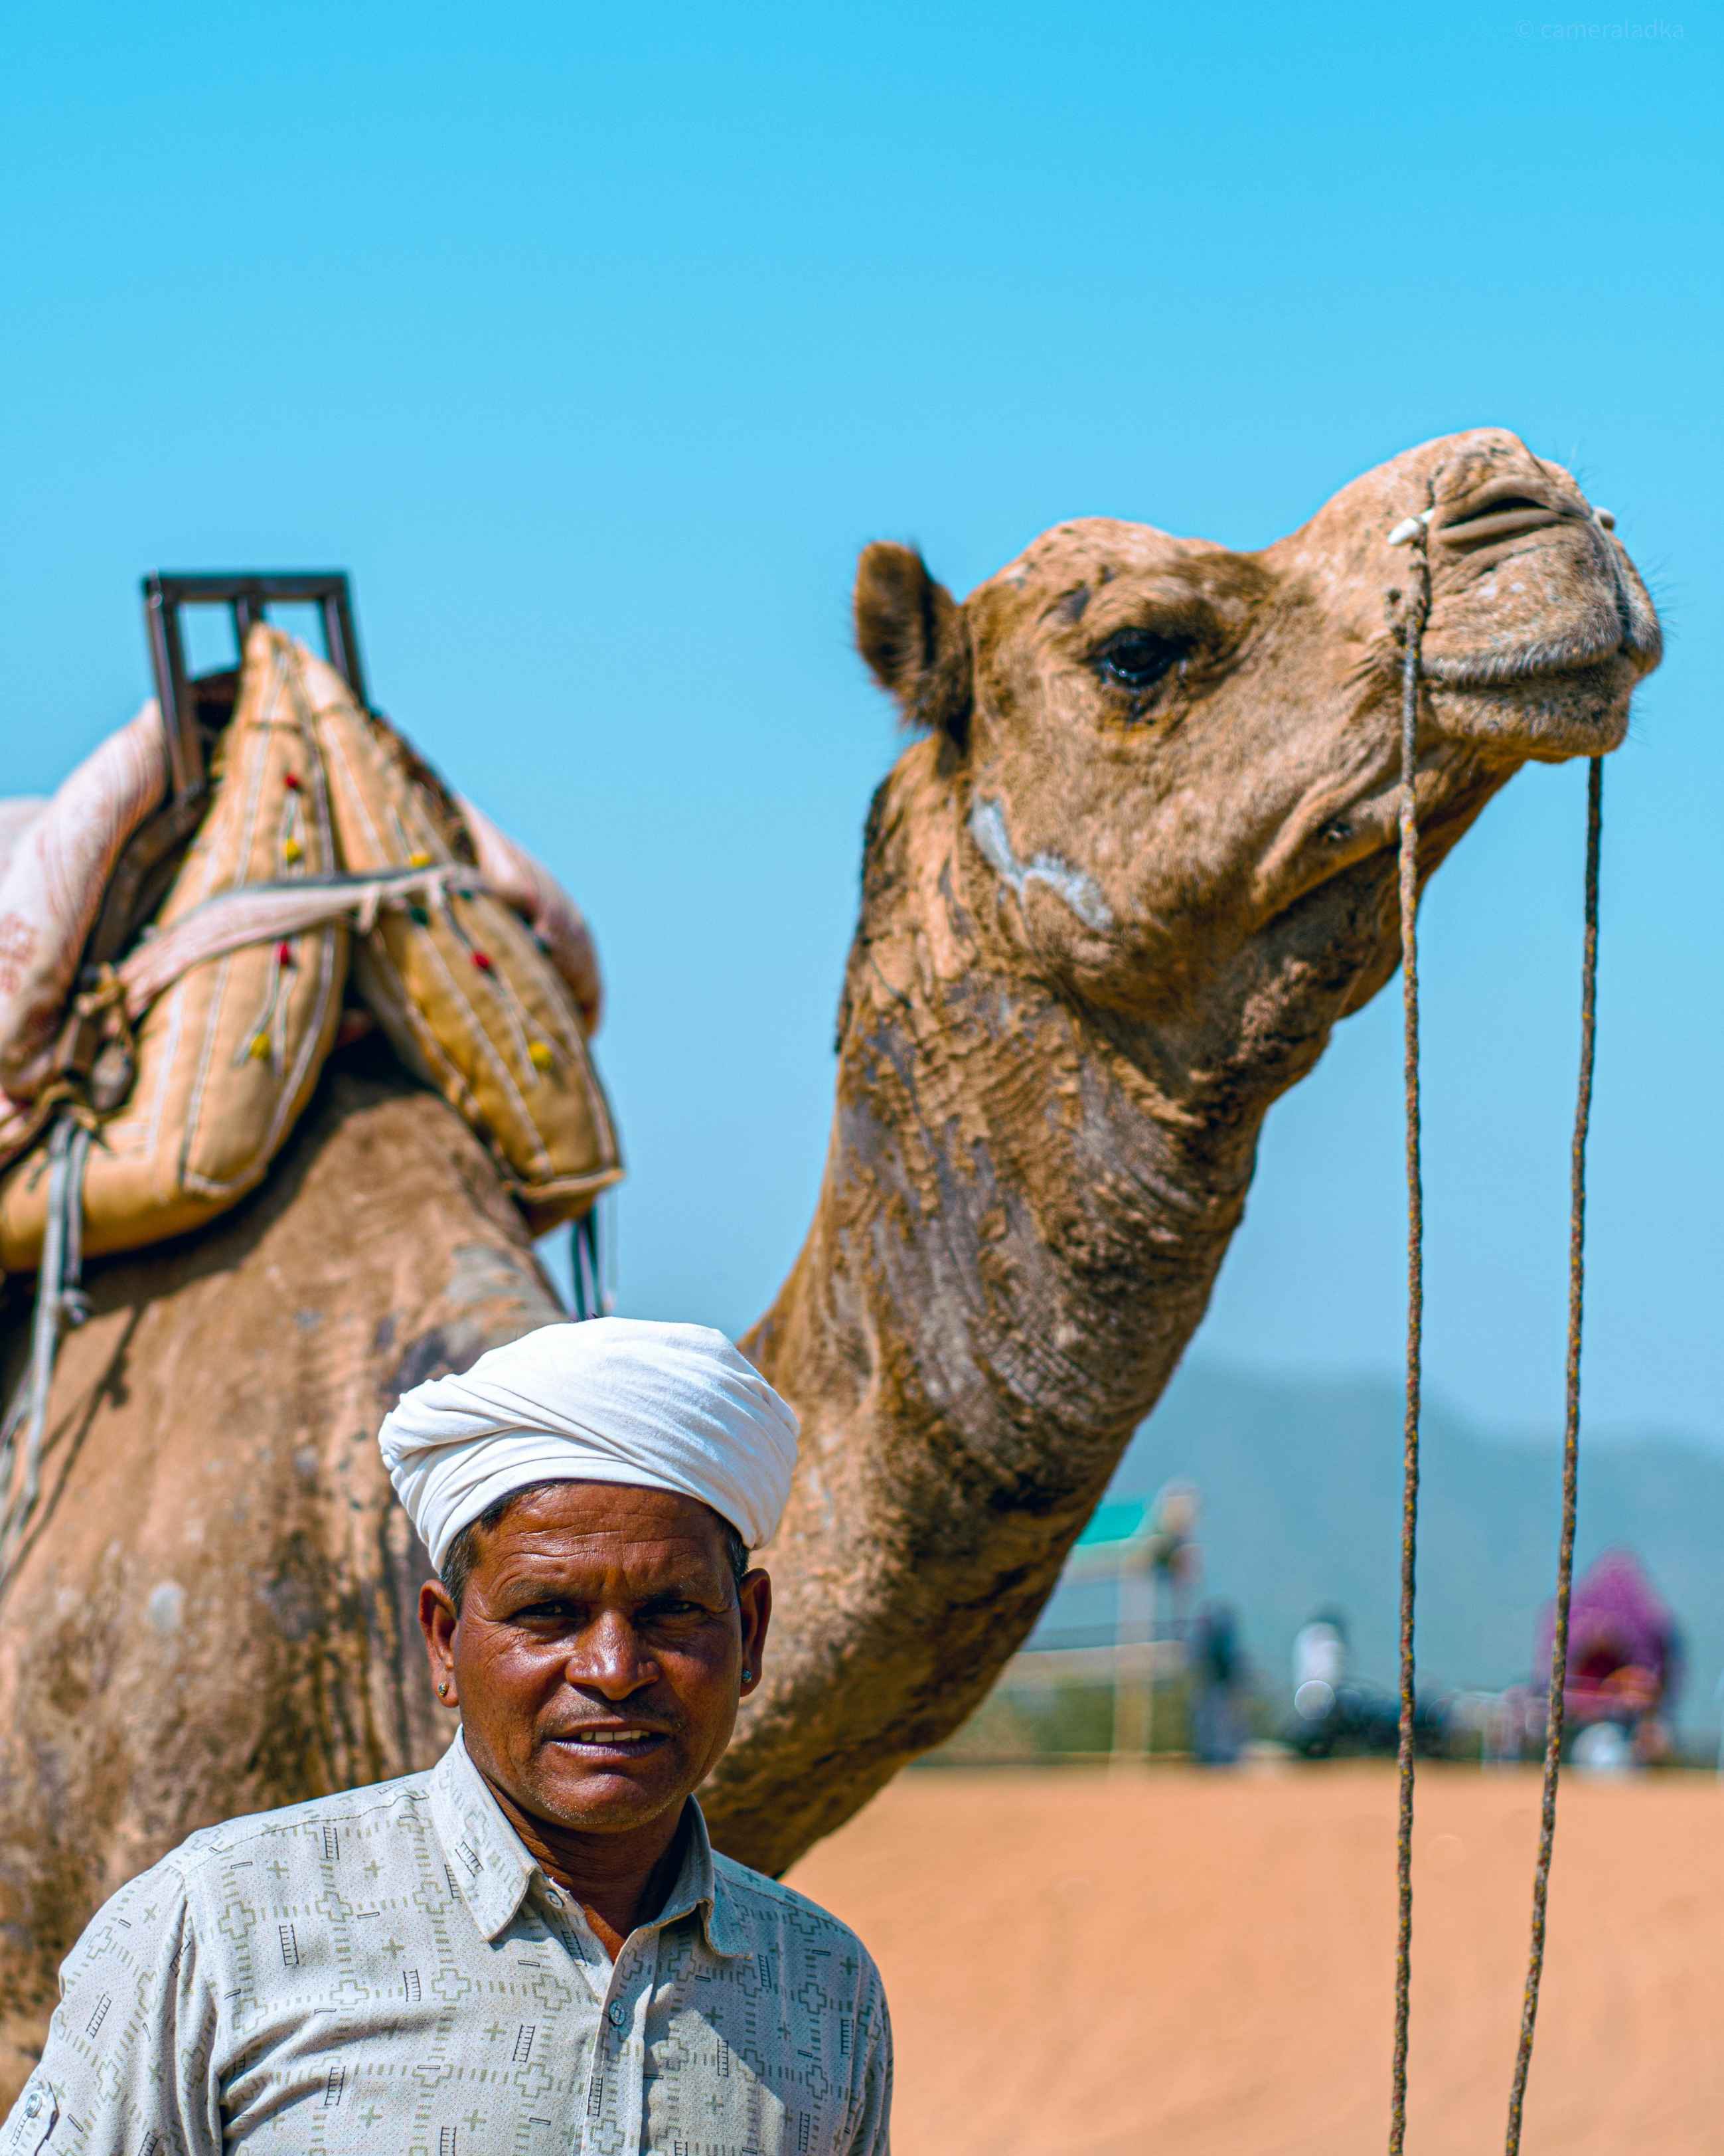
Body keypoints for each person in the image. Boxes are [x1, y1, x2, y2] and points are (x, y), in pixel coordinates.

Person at [4, 1318, 892, 2154]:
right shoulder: (221, 1926)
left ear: (751, 1632)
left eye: (672, 1612)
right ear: (444, 1640)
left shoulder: (821, 1985)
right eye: (549, 1614)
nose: (615, 1669)